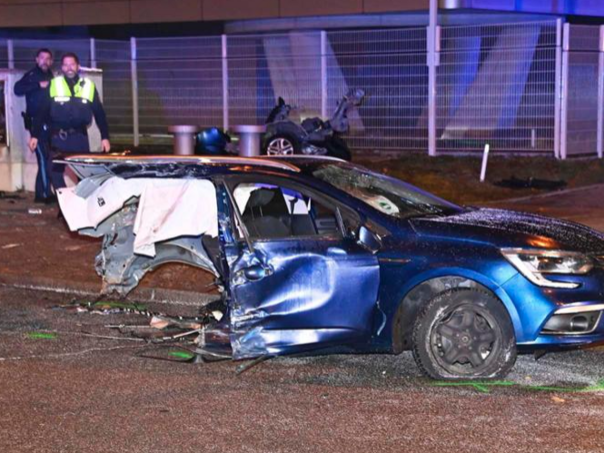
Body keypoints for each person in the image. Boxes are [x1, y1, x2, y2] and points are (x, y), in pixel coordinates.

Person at [29, 52, 110, 190]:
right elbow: (42, 111)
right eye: (66, 65)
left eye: (72, 64)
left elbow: (99, 113)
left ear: (78, 66)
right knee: (54, 171)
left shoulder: (88, 86)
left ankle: (80, 201)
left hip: (80, 137)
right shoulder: (54, 84)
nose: (69, 68)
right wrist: (35, 135)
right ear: (62, 68)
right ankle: (64, 198)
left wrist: (105, 137)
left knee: (84, 175)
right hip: (58, 137)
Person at [14, 48, 55, 203]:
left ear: (51, 61)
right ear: (36, 59)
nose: (45, 61)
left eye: (48, 58)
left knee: (46, 159)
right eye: (42, 58)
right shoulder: (32, 75)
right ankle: (46, 194)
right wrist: (38, 85)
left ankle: (40, 194)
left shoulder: (51, 75)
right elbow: (17, 89)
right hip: (35, 125)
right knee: (44, 159)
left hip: (47, 124)